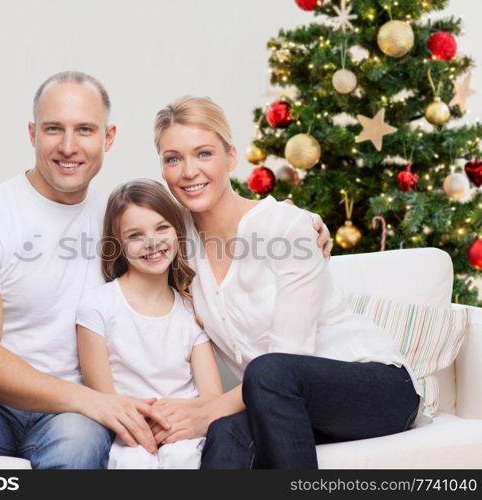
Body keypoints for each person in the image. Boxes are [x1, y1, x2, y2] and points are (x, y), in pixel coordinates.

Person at [0, 71, 331, 469]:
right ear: (33, 134)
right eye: (54, 128)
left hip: (73, 418)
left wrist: (301, 223)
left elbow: (209, 223)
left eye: (85, 130)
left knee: (77, 441)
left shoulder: (124, 220)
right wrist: (94, 401)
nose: (68, 146)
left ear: (108, 138)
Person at [147, 96, 423, 469]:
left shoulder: (285, 228)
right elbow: (125, 224)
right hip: (279, 402)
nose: (189, 171)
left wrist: (204, 412)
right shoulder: (177, 246)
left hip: (376, 389)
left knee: (269, 369)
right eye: (173, 159)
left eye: (204, 154)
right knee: (226, 434)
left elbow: (289, 356)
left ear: (231, 157)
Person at [76, 179, 223, 468]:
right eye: (135, 235)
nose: (152, 243)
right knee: (134, 463)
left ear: (177, 232)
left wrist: (174, 418)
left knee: (184, 458)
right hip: (126, 432)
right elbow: (104, 399)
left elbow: (212, 398)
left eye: (162, 228)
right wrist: (146, 422)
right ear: (117, 244)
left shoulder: (191, 308)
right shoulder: (97, 306)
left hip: (183, 430)